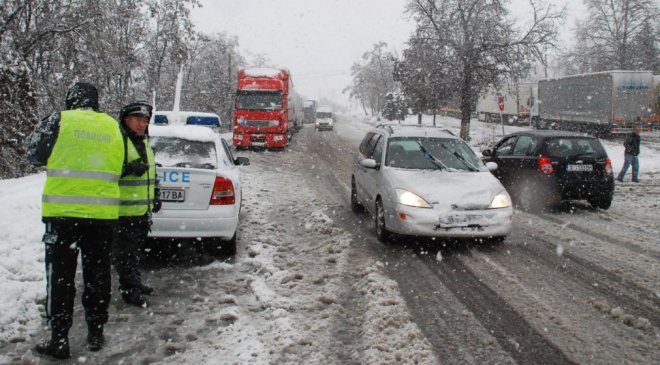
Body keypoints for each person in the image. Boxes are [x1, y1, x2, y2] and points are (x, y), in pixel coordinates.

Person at [25, 82, 125, 359]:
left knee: (60, 277)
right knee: (97, 274)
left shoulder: (59, 120)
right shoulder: (112, 126)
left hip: (63, 216)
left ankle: (59, 338)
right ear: (96, 101)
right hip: (102, 216)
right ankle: (96, 331)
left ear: (71, 100)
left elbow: (33, 154)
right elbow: (122, 163)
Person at [114, 100, 161, 308]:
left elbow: (152, 173)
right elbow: (108, 171)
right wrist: (127, 169)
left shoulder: (143, 142)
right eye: (137, 120)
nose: (142, 124)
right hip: (122, 212)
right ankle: (129, 291)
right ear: (126, 120)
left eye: (145, 120)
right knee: (124, 255)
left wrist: (156, 195)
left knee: (134, 253)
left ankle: (135, 282)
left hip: (141, 210)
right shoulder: (119, 141)